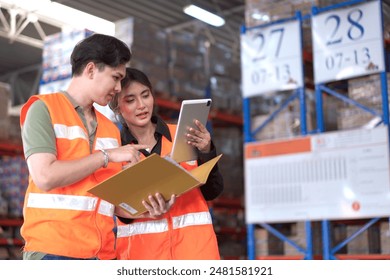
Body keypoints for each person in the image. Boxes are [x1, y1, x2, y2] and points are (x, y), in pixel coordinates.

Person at [19, 34, 173, 260]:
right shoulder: (44, 109)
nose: (119, 88)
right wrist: (106, 156)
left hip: (103, 254)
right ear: (91, 70)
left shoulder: (110, 129)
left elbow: (111, 204)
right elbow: (45, 176)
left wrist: (150, 210)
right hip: (54, 251)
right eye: (116, 77)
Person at [110, 67, 224, 260]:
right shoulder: (114, 150)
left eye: (145, 96)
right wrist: (144, 211)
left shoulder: (183, 135)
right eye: (130, 100)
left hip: (196, 253)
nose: (141, 105)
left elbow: (213, 191)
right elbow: (113, 208)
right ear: (117, 107)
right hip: (143, 257)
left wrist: (206, 150)